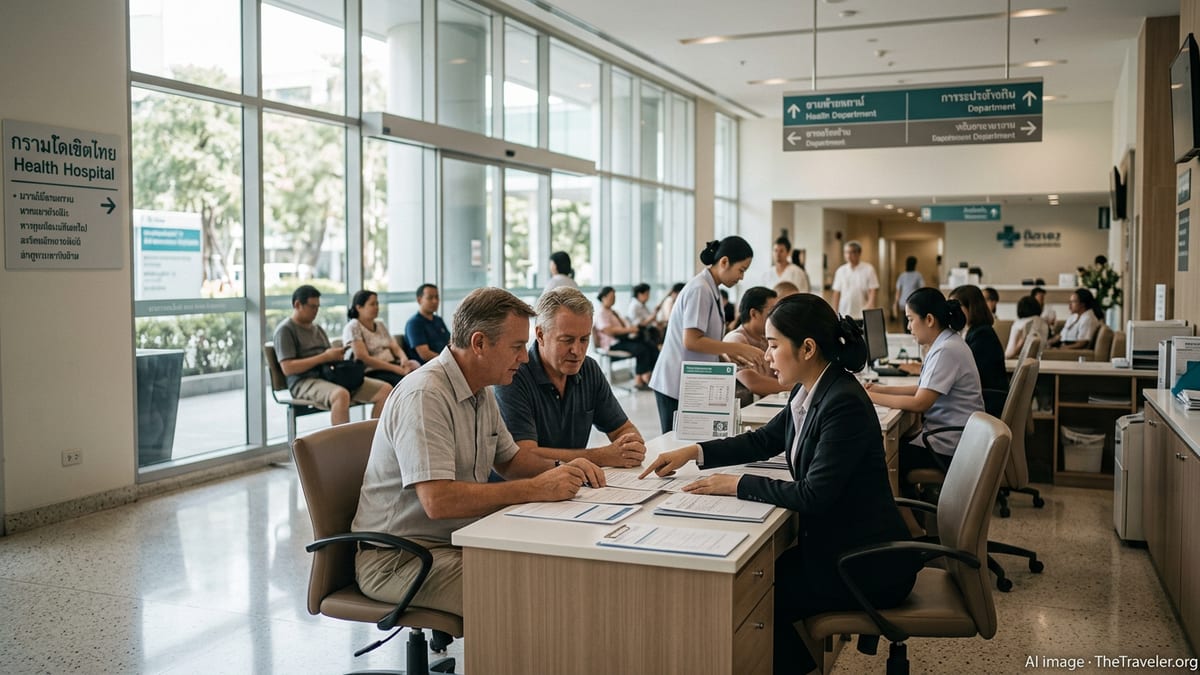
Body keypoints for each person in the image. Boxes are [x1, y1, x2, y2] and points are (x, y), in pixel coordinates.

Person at [641, 293, 920, 675]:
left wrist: (736, 484)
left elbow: (814, 495)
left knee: (753, 600)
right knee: (758, 587)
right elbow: (761, 440)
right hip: (839, 547)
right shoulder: (811, 391)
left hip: (866, 563)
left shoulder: (843, 403)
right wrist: (694, 451)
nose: (766, 356)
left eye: (773, 346)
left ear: (807, 348)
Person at [351, 287, 605, 619]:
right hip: (400, 557)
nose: (525, 357)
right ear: (479, 343)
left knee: (556, 566)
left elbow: (511, 460)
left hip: (457, 538)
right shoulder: (426, 395)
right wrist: (536, 488)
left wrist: (564, 468)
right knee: (525, 594)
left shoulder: (480, 390)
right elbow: (438, 501)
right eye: (516, 347)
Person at [496, 288, 647, 468]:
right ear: (540, 335)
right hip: (521, 491)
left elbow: (623, 429)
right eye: (567, 340)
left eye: (584, 340)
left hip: (572, 488)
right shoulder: (512, 376)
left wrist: (631, 447)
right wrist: (602, 456)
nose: (577, 351)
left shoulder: (588, 369)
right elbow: (524, 456)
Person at [650, 237, 766, 433]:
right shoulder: (700, 289)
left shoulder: (710, 289)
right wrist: (737, 347)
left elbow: (706, 340)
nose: (741, 277)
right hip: (675, 383)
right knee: (673, 443)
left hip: (690, 382)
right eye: (741, 270)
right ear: (724, 262)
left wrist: (727, 356)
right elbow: (692, 340)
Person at [867, 288, 983, 481]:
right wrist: (880, 389)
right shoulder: (946, 343)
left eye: (911, 319)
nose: (908, 327)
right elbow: (923, 388)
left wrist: (869, 397)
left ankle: (902, 511)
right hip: (954, 439)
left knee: (878, 459)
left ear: (929, 320)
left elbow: (920, 403)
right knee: (890, 449)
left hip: (950, 447)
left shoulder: (945, 350)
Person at [273, 284, 392, 425]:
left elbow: (328, 357)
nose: (316, 311)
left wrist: (336, 356)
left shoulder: (317, 329)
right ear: (298, 305)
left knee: (385, 390)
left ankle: (373, 438)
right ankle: (341, 445)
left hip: (329, 375)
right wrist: (324, 357)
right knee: (340, 395)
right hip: (303, 381)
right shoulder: (286, 330)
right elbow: (288, 368)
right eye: (312, 307)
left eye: (318, 307)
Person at [724, 286, 788, 407]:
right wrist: (796, 387)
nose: (776, 317)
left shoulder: (764, 339)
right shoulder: (736, 339)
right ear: (753, 313)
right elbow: (754, 383)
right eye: (771, 312)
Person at [343, 290, 422, 387]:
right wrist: (395, 369)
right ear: (359, 307)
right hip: (372, 371)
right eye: (372, 304)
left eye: (377, 303)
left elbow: (394, 346)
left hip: (392, 365)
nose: (376, 307)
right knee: (407, 384)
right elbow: (363, 357)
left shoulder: (380, 324)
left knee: (421, 376)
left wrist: (403, 359)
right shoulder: (353, 327)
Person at [593, 286, 659, 389]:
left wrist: (630, 329)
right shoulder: (601, 313)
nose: (614, 299)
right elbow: (608, 330)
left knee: (649, 344)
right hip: (612, 344)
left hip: (621, 339)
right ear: (603, 297)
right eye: (612, 296)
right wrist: (629, 330)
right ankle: (640, 379)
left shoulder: (613, 312)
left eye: (615, 296)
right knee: (641, 349)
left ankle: (648, 376)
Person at [949, 285, 1008, 393]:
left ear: (971, 307)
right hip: (982, 394)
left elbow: (966, 372)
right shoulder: (974, 331)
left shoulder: (982, 335)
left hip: (988, 397)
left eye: (956, 307)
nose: (952, 312)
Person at [830, 240, 879, 319]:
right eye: (846, 252)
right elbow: (836, 293)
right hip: (844, 312)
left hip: (862, 313)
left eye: (851, 252)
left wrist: (870, 306)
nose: (848, 255)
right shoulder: (840, 270)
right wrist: (834, 311)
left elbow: (873, 290)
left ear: (859, 253)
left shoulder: (868, 269)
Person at [405, 283, 451, 364]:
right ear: (419, 300)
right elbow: (425, 354)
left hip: (444, 362)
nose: (435, 301)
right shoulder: (414, 323)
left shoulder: (438, 320)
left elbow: (450, 342)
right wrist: (449, 361)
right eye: (430, 298)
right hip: (428, 367)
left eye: (437, 297)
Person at [894, 256, 924, 328]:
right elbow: (922, 289)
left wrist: (895, 303)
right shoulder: (918, 275)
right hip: (913, 301)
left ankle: (906, 332)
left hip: (903, 302)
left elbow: (898, 291)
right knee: (912, 319)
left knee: (905, 319)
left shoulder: (902, 275)